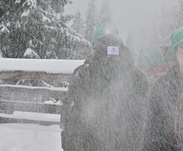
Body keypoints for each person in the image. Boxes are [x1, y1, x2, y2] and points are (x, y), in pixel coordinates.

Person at [60, 22, 148, 150]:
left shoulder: (135, 77)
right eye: (103, 43)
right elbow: (71, 121)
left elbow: (144, 120)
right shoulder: (84, 75)